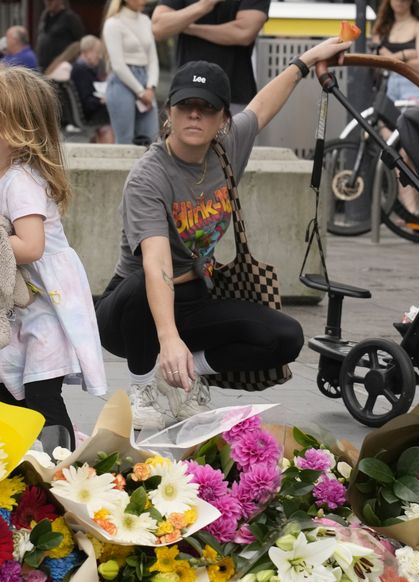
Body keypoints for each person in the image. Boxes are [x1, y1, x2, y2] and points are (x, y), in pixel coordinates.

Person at [94, 37, 352, 431]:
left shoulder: (227, 147)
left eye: (206, 108)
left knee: (284, 337)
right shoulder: (149, 175)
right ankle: (143, 386)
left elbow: (262, 106)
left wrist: (304, 61)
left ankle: (185, 375)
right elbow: (157, 263)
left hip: (195, 298)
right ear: (169, 112)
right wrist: (168, 340)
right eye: (185, 106)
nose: (194, 116)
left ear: (222, 120)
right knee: (141, 283)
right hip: (130, 313)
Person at [0, 67, 108, 449]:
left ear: (16, 132)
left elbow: (31, 246)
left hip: (44, 297)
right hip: (8, 299)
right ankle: (9, 464)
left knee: (40, 393)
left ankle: (60, 464)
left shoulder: (22, 180)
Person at [151, 0, 269, 112]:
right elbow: (159, 27)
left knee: (233, 133)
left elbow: (244, 32)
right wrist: (204, 5)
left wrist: (189, 27)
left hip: (234, 96)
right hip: (185, 92)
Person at [103, 0, 159, 144]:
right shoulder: (113, 24)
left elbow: (152, 58)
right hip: (122, 82)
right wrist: (141, 92)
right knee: (125, 140)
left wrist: (151, 87)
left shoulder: (146, 20)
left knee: (152, 139)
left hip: (146, 81)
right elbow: (118, 65)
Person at [372, 0, 419, 103]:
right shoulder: (381, 27)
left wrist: (389, 58)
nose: (400, 1)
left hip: (412, 84)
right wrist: (404, 54)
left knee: (410, 118)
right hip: (384, 86)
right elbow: (375, 60)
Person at [70, 35, 115, 143]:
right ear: (88, 52)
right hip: (91, 114)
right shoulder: (81, 71)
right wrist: (101, 100)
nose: (99, 57)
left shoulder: (81, 68)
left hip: (88, 112)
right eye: (97, 52)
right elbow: (88, 102)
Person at [36, 0, 85, 71]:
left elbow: (80, 42)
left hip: (61, 68)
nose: (48, 2)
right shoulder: (44, 17)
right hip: (43, 67)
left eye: (51, 1)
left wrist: (65, 58)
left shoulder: (70, 17)